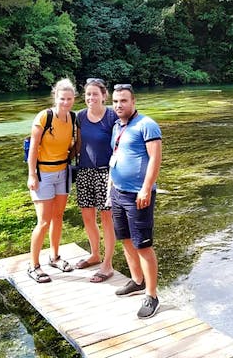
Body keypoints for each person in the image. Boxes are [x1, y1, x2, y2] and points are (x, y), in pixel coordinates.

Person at [109, 83, 162, 319]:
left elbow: (154, 158)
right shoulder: (117, 126)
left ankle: (152, 296)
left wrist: (146, 189)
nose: (119, 105)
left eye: (123, 101)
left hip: (138, 195)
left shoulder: (147, 125)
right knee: (126, 240)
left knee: (143, 245)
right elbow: (117, 155)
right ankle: (137, 281)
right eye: (116, 101)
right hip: (117, 192)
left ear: (134, 102)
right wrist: (111, 185)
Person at [26, 78, 78, 283]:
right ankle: (33, 266)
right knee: (44, 221)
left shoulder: (73, 119)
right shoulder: (44, 117)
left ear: (74, 99)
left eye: (69, 99)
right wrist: (31, 174)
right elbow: (33, 147)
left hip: (63, 172)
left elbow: (72, 146)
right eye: (62, 98)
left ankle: (54, 257)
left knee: (58, 217)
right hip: (43, 174)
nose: (66, 102)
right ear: (55, 97)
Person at [74, 78, 118, 283]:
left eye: (95, 94)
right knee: (87, 216)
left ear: (104, 95)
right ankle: (94, 254)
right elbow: (78, 144)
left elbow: (120, 143)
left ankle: (107, 264)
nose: (91, 98)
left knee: (107, 219)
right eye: (88, 94)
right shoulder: (80, 116)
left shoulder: (112, 116)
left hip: (106, 173)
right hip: (84, 171)